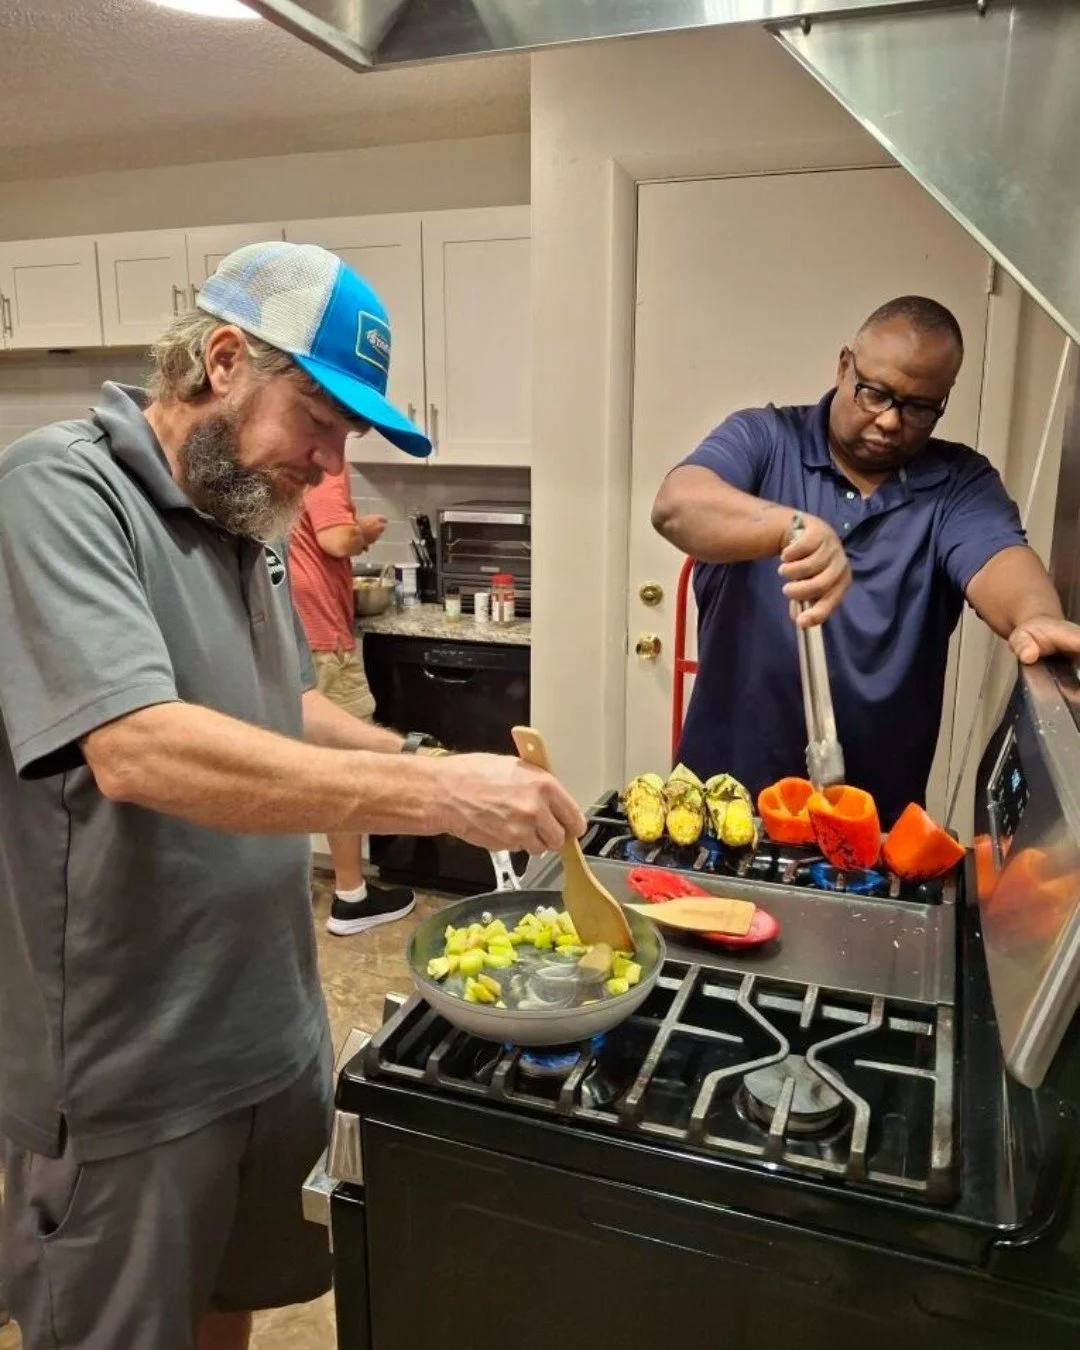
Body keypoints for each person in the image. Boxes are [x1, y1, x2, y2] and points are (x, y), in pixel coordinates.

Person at [0, 242, 584, 1350]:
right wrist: (437, 798)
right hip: (129, 1068)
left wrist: (415, 754)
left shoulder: (247, 523)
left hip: (269, 1033)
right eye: (316, 421)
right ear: (222, 359)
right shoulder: (57, 490)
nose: (324, 466)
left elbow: (281, 704)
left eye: (344, 438)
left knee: (235, 1312)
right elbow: (139, 748)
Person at [651, 295, 1080, 827]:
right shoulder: (764, 439)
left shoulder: (957, 483)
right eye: (874, 393)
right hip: (722, 811)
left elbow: (999, 557)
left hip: (871, 831)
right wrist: (793, 527)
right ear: (844, 365)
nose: (890, 421)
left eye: (919, 407)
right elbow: (677, 505)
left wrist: (1036, 615)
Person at [288, 465, 414, 936]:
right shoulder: (324, 464)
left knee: (306, 767)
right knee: (346, 769)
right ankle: (349, 898)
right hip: (323, 643)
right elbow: (336, 541)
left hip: (300, 636)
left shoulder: (277, 464)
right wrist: (363, 532)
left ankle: (316, 894)